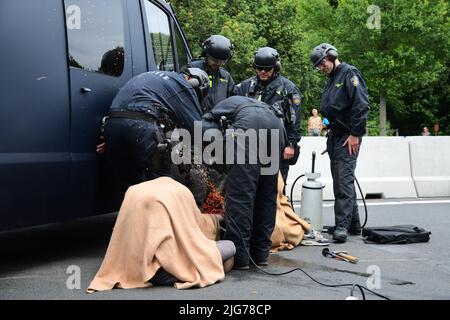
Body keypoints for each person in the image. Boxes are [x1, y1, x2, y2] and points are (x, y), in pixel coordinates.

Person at [87, 176, 235, 292]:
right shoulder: (177, 194)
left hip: (134, 268)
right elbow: (195, 226)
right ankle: (205, 267)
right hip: (163, 271)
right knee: (230, 247)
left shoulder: (134, 194)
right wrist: (220, 218)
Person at [202, 96, 287, 269]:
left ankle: (239, 258)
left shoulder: (218, 109)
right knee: (266, 195)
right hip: (276, 127)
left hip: (249, 128)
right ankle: (260, 254)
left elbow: (205, 130)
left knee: (241, 195)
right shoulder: (249, 104)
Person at [102, 68, 208, 201]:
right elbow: (197, 129)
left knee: (129, 187)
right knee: (161, 184)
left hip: (112, 126)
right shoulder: (183, 86)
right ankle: (165, 220)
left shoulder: (154, 77)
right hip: (141, 127)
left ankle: (134, 220)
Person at [310, 43, 369, 243]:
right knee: (342, 180)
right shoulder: (332, 78)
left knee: (343, 182)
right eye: (318, 65)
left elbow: (362, 105)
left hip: (348, 137)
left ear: (332, 56)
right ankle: (353, 224)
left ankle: (342, 226)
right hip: (335, 136)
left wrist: (355, 134)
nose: (321, 67)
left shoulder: (349, 74)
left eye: (322, 63)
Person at [236, 47, 302, 186]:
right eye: (259, 69)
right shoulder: (245, 86)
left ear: (275, 68)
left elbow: (295, 119)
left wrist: (291, 145)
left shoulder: (288, 89)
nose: (263, 72)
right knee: (250, 188)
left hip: (277, 146)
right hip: (250, 146)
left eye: (267, 69)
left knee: (276, 191)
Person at [187, 35, 236, 112]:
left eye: (222, 61)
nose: (218, 64)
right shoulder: (192, 70)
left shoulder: (226, 76)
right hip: (197, 120)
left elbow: (234, 100)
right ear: (206, 55)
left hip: (217, 120)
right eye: (215, 60)